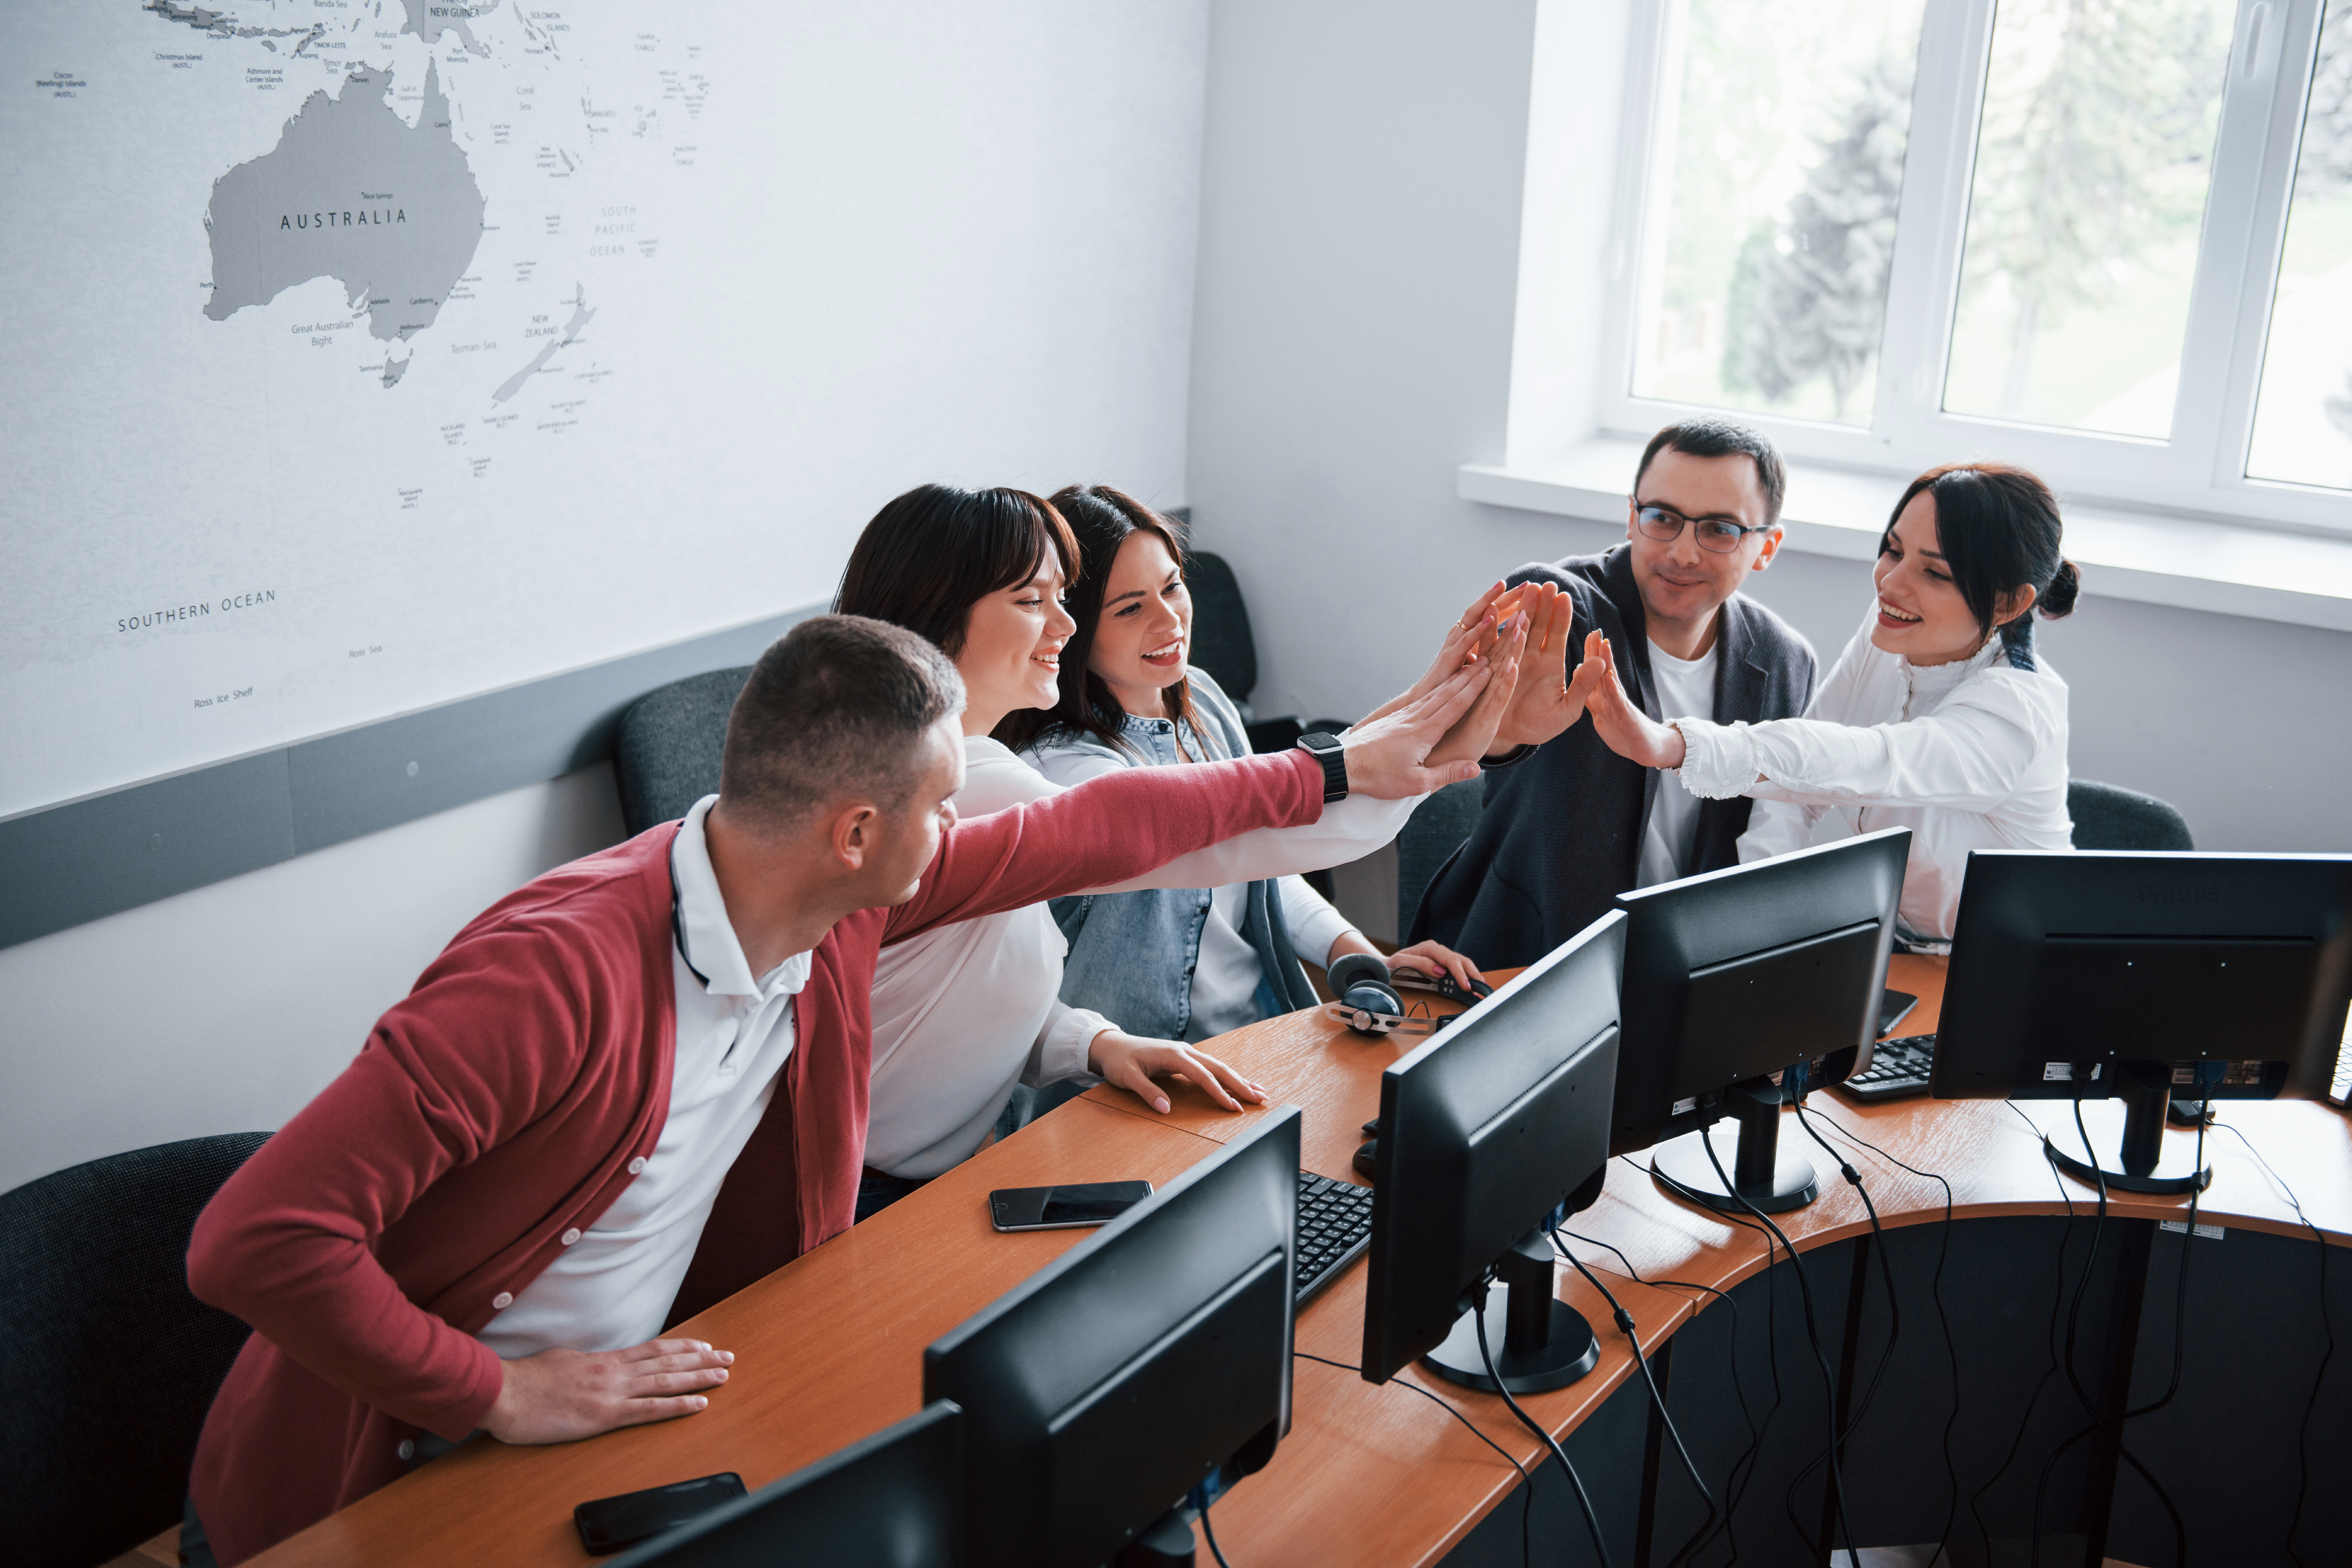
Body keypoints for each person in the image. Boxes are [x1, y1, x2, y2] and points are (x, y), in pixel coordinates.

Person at [181, 614, 1498, 1565]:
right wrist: (497, 1392)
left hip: (625, 1417)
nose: (960, 833)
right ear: (856, 830)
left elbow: (1088, 831)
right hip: (396, 1462)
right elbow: (253, 1240)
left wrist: (1340, 768)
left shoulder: (826, 898)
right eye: (941, 803)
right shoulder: (551, 976)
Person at [838, 485, 1522, 1215]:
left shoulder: (974, 769)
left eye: (1063, 598)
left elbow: (970, 987)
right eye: (1033, 601)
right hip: (871, 1185)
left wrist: (1093, 1043)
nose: (1064, 624)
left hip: (941, 1163)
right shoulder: (973, 787)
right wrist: (1429, 726)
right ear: (944, 620)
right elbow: (1170, 828)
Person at [1008, 486, 1491, 1046]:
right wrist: (1418, 730)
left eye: (1173, 587)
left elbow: (1265, 864)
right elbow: (1250, 845)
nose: (1170, 621)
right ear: (1074, 628)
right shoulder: (1063, 772)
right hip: (1135, 1073)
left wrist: (1359, 958)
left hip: (1254, 1034)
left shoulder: (1204, 701)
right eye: (1131, 608)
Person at [1578, 460, 2080, 945]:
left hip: (2017, 959)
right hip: (1902, 946)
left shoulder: (2018, 711)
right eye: (1893, 550)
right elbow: (1799, 790)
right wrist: (1743, 924)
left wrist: (1672, 744)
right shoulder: (1892, 631)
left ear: (2007, 603)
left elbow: (1861, 759)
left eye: (1935, 573)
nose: (1891, 582)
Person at [1410, 418, 1820, 967]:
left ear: (1766, 546)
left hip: (1683, 970)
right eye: (1662, 518)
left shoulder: (1784, 661)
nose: (1683, 552)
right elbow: (1466, 746)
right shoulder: (1554, 604)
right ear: (1632, 517)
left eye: (1719, 529)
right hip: (1526, 956)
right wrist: (1499, 735)